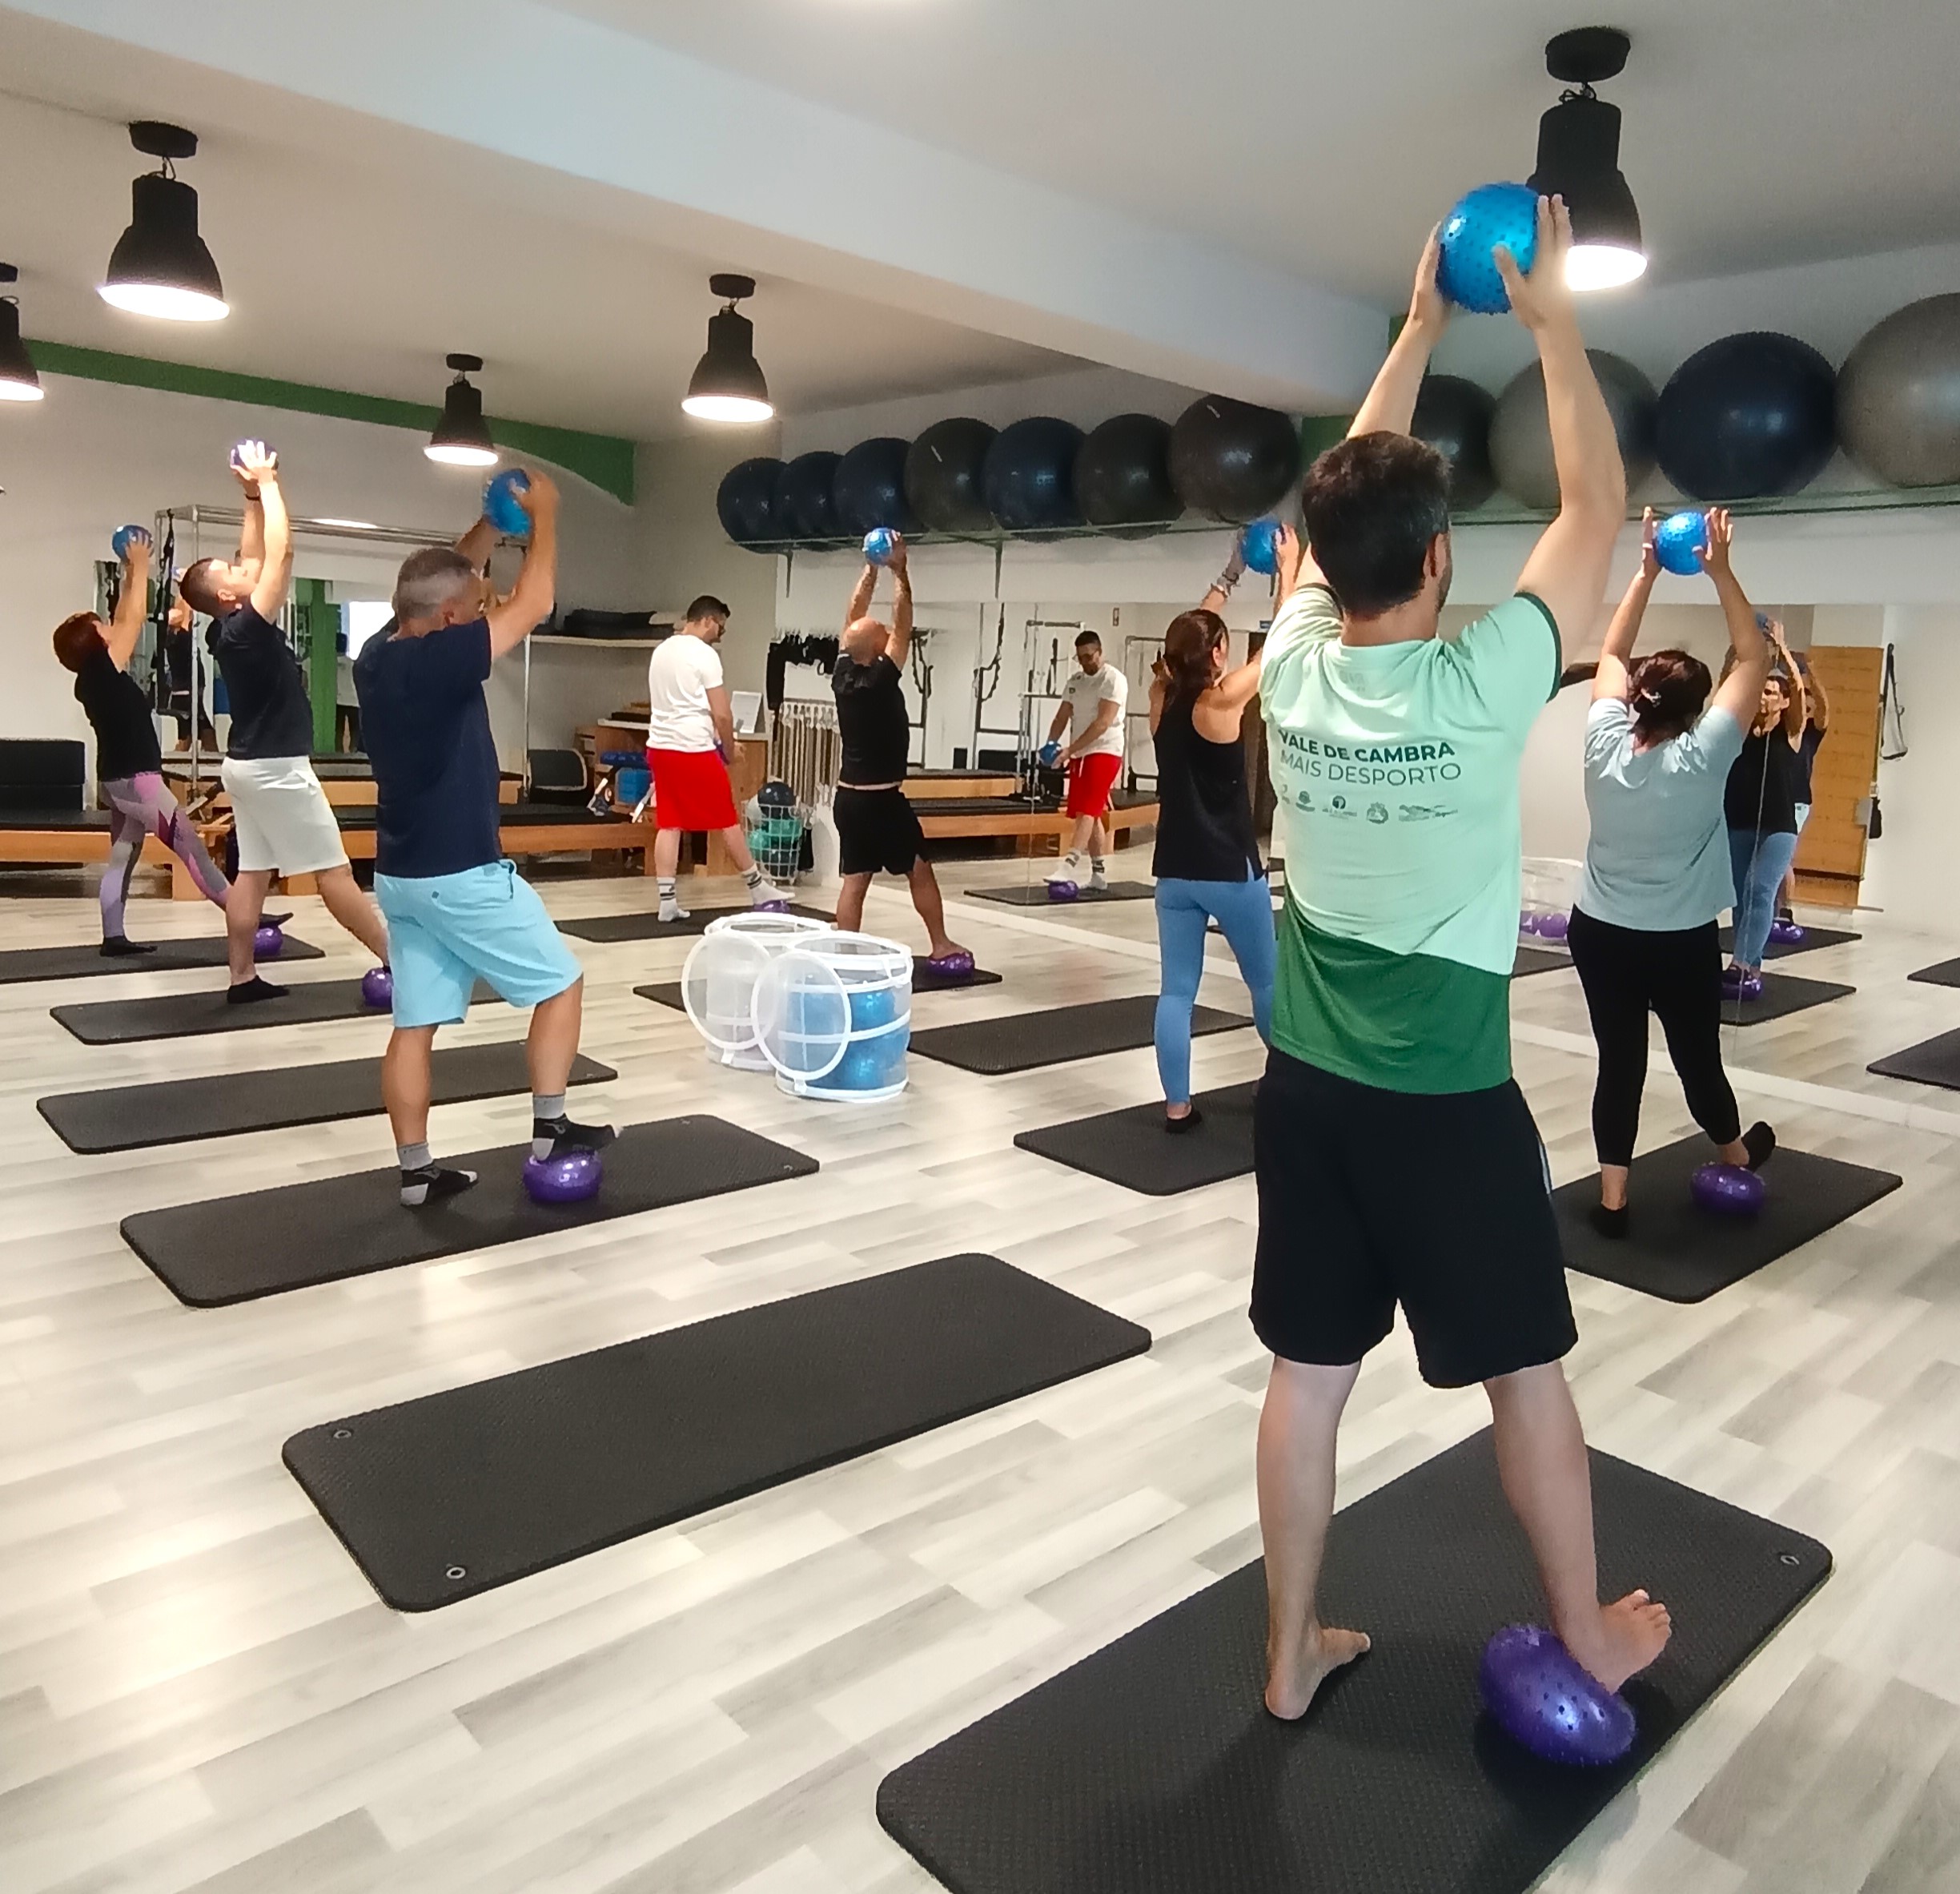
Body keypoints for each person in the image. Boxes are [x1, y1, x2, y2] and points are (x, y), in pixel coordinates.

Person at [1253, 201, 1670, 1723]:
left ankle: (1288, 1653)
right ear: (1438, 560)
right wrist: (1550, 321)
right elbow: (1597, 499)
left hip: (1305, 1089)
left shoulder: (1290, 664)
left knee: (1307, 1378)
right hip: (1441, 1103)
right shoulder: (1488, 677)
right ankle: (1589, 1634)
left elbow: (1335, 516)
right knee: (1524, 1375)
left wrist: (1418, 330)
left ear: (1326, 562)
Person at [354, 470, 613, 1208]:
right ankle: (552, 1129)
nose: (484, 610)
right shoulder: (442, 659)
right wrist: (545, 517)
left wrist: (491, 526)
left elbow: (447, 577)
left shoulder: (378, 652)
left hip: (403, 876)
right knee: (560, 984)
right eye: (474, 609)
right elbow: (536, 601)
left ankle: (415, 1172)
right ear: (448, 620)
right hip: (462, 871)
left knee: (414, 1023)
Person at [1566, 506, 1777, 1237]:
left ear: (1635, 699)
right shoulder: (1703, 756)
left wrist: (1647, 569)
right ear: (1695, 715)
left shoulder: (1602, 741)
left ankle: (1613, 1202)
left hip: (1600, 934)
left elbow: (1612, 650)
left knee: (1618, 1064)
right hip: (1678, 941)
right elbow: (1752, 657)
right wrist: (1719, 570)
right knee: (1697, 1062)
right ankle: (1736, 1154)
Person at [179, 442, 390, 999]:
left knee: (252, 872)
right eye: (231, 571)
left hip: (247, 767)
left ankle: (242, 976)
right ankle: (399, 960)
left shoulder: (225, 628)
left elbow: (254, 555)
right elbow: (282, 553)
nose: (242, 565)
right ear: (228, 593)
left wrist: (251, 498)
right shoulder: (247, 628)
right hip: (277, 770)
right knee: (334, 873)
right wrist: (270, 483)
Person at [1145, 537, 1294, 1130]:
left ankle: (1177, 1106)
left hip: (1174, 871)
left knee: (1176, 992)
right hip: (1231, 870)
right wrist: (1286, 573)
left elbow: (1185, 639)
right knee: (1266, 982)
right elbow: (1280, 643)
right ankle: (1285, 1085)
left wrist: (1229, 577)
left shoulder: (1160, 696)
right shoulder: (1223, 701)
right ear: (1219, 652)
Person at [51, 527, 233, 952]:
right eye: (100, 624)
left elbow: (122, 618)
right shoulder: (102, 668)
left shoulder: (92, 676)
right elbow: (131, 620)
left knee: (123, 856)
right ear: (97, 639)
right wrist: (141, 563)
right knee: (191, 847)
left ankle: (113, 937)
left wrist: (132, 574)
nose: (109, 625)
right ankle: (244, 912)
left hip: (119, 783)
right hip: (139, 784)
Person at [833, 535, 970, 967]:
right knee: (919, 868)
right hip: (882, 802)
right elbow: (904, 622)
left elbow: (853, 617)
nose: (888, 633)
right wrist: (900, 571)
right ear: (876, 648)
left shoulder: (842, 672)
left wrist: (869, 567)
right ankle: (941, 943)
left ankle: (843, 956)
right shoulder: (879, 679)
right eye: (883, 635)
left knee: (855, 881)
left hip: (849, 799)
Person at [645, 595, 785, 923]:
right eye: (720, 628)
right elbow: (722, 713)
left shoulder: (662, 651)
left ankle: (667, 902)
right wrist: (729, 749)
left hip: (661, 747)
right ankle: (758, 888)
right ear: (707, 620)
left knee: (669, 822)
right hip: (693, 748)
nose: (720, 635)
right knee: (727, 818)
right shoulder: (704, 655)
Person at [1721, 621, 1810, 983]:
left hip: (1778, 828)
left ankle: (1741, 964)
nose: (1765, 697)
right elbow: (1725, 692)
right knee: (1741, 898)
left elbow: (1799, 691)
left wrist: (1783, 650)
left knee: (1760, 892)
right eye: (1763, 691)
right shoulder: (1740, 729)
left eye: (1773, 692)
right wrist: (1735, 653)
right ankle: (1751, 963)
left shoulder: (1791, 732)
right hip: (1738, 822)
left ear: (1784, 701)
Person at [1042, 629, 1128, 891]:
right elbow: (1061, 717)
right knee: (1091, 813)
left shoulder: (1113, 679)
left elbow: (1102, 723)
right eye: (1080, 658)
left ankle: (1068, 866)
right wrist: (1051, 745)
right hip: (1081, 754)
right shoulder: (1076, 681)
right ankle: (1098, 874)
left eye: (1090, 656)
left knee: (1087, 811)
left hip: (1105, 750)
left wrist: (1069, 750)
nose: (1085, 662)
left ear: (1100, 653)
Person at [1777, 654, 1830, 924]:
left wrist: (1811, 671)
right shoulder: (1782, 731)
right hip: (1776, 798)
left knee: (1783, 859)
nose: (1806, 711)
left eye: (1808, 708)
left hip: (1797, 802)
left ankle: (1785, 911)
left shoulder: (1811, 733)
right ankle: (1774, 909)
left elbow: (1823, 708)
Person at [162, 593, 218, 752]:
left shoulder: (178, 638)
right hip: (187, 697)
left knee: (199, 735)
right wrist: (184, 590)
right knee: (190, 737)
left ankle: (214, 765)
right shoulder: (179, 638)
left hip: (191, 696)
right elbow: (185, 613)